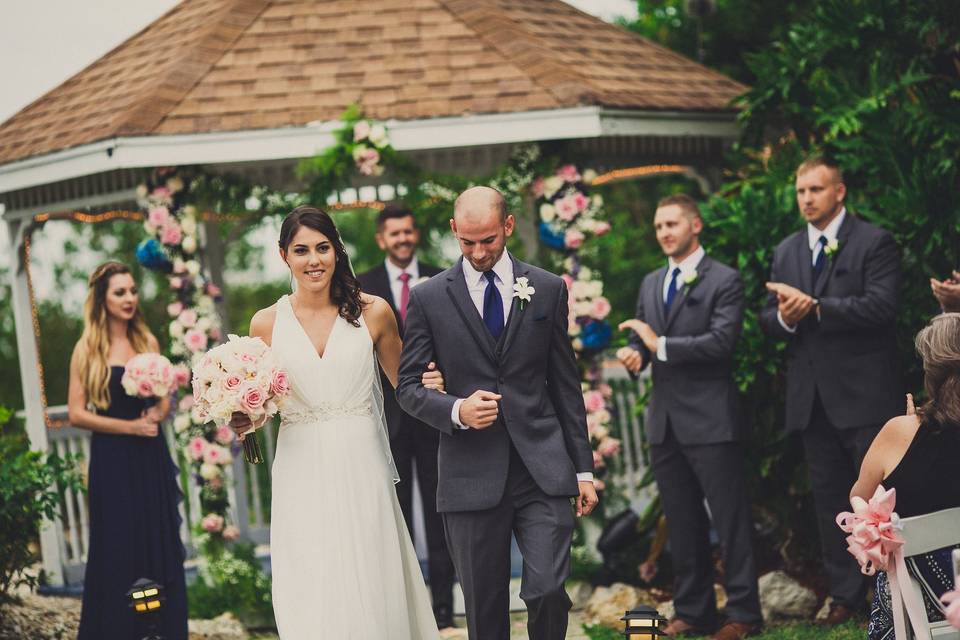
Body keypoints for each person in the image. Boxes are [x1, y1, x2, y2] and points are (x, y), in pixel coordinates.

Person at [229, 206, 443, 638]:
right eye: (302, 250)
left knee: (369, 564)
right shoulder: (266, 323)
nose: (314, 260)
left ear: (337, 251)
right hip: (299, 464)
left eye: (323, 248)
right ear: (283, 255)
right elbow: (259, 405)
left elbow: (408, 387)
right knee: (313, 570)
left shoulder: (374, 312)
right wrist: (242, 416)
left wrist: (437, 386)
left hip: (361, 458)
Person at [395, 186, 598, 640]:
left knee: (547, 589)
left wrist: (583, 469)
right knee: (485, 613)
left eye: (488, 240)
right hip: (469, 474)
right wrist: (457, 409)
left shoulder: (546, 289)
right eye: (467, 242)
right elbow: (407, 389)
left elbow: (566, 386)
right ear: (453, 231)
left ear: (507, 226)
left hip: (541, 469)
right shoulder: (428, 298)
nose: (479, 252)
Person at [759, 155, 902, 623]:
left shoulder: (873, 241)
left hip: (863, 397)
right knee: (829, 503)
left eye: (815, 190)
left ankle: (891, 590)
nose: (806, 199)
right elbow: (768, 321)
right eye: (800, 192)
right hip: (812, 401)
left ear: (839, 192)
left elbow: (882, 307)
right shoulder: (786, 251)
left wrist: (818, 307)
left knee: (880, 502)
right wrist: (785, 317)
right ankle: (844, 597)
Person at [617, 194, 762, 640]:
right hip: (666, 423)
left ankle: (744, 614)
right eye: (659, 225)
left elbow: (721, 343)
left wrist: (655, 344)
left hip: (713, 420)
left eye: (672, 224)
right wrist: (636, 353)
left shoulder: (725, 279)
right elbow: (645, 338)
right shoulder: (650, 282)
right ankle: (694, 610)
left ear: (695, 225)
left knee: (731, 520)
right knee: (681, 522)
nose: (663, 232)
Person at [68, 261, 187, 640]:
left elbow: (165, 399)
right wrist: (129, 427)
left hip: (150, 458)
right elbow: (75, 413)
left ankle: (163, 630)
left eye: (133, 290)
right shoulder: (87, 349)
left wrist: (158, 411)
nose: (129, 298)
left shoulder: (146, 342)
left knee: (157, 540)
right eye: (120, 292)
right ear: (102, 299)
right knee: (118, 546)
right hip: (112, 461)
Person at [356, 203, 455, 629]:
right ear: (381, 239)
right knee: (392, 512)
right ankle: (405, 606)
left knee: (440, 509)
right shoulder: (361, 287)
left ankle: (445, 608)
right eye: (393, 233)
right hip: (388, 418)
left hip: (433, 414)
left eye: (408, 231)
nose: (402, 239)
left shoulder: (442, 278)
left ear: (415, 234)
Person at [850, 313, 960, 639]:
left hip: (925, 602)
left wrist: (908, 432)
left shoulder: (899, 431)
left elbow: (860, 496)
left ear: (930, 370)